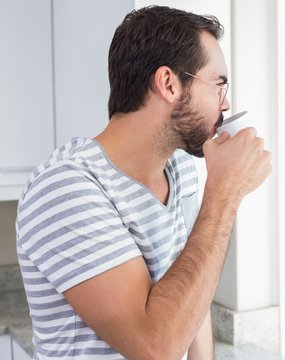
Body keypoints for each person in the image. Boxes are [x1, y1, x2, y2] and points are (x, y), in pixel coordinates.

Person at [16, 5, 271, 360]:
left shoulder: (180, 169)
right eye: (218, 85)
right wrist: (225, 193)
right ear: (168, 83)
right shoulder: (64, 188)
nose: (225, 104)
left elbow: (191, 297)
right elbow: (156, 348)